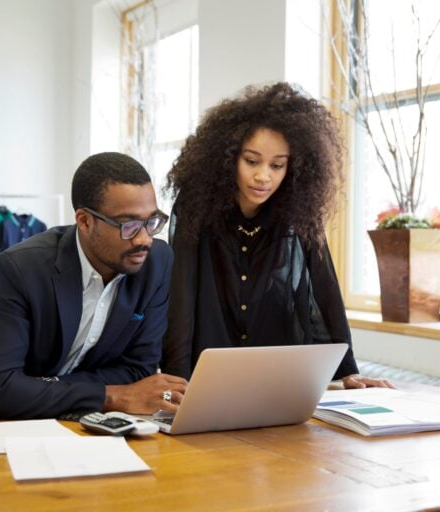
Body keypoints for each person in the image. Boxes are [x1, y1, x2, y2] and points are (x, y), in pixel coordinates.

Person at [161, 82, 392, 389]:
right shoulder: (195, 207)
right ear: (228, 158)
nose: (263, 176)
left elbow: (325, 288)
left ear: (293, 168)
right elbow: (182, 294)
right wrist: (176, 379)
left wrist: (347, 370)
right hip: (208, 369)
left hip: (275, 371)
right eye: (252, 161)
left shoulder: (297, 211)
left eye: (277, 165)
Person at [0, 152, 187, 419]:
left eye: (151, 222)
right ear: (84, 221)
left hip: (94, 427)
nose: (145, 239)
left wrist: (35, 386)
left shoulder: (157, 262)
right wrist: (111, 396)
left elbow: (138, 369)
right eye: (129, 225)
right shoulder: (23, 269)